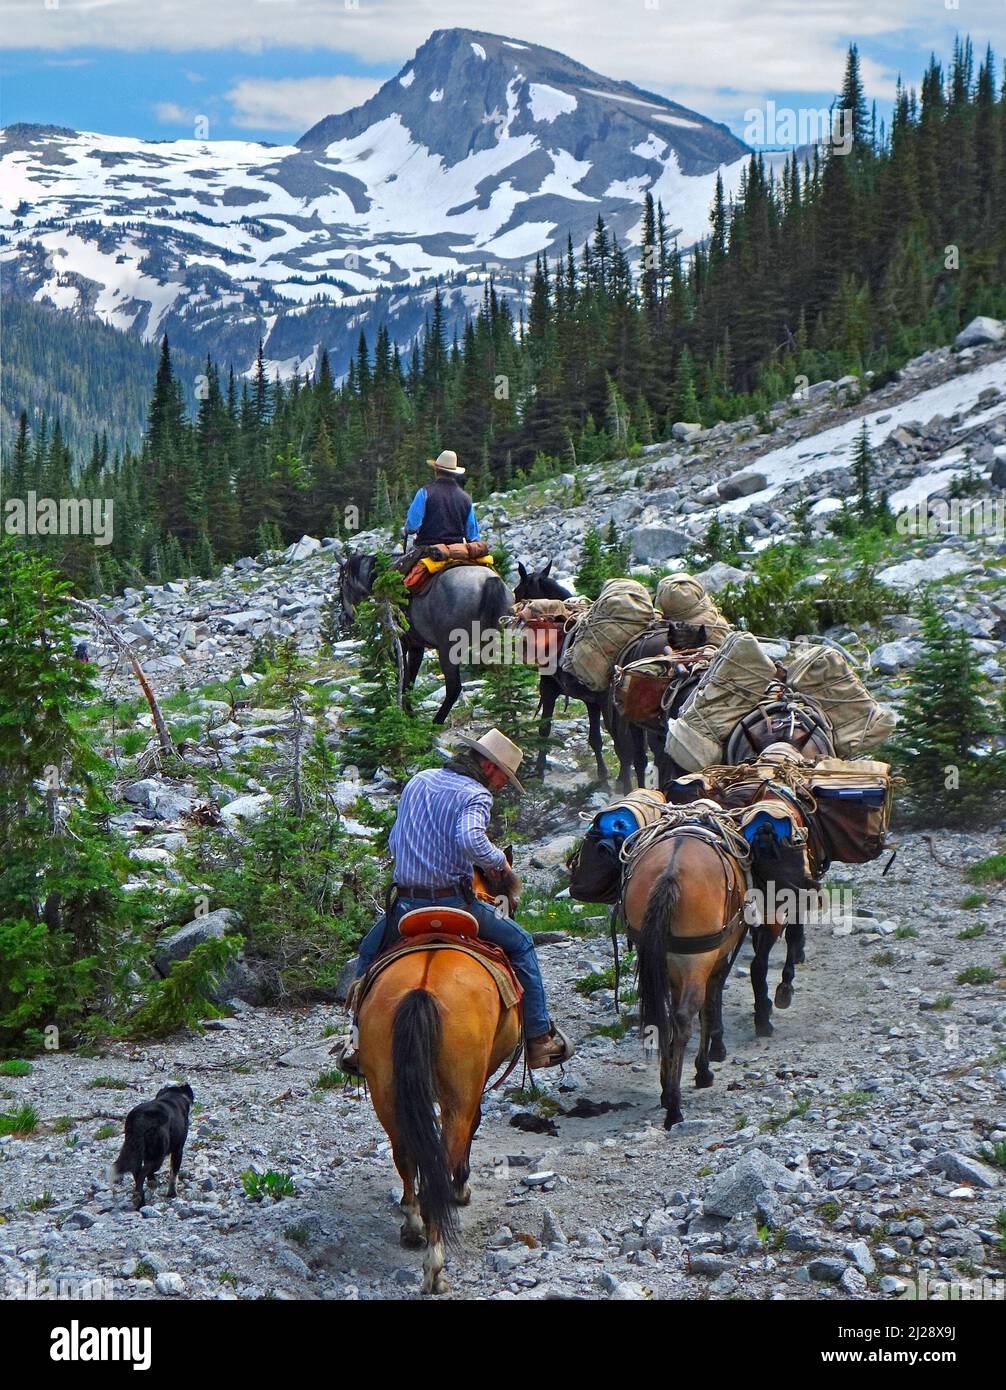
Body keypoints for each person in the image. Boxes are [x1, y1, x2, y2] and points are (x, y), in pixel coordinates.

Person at [336, 729, 574, 1073]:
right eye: (504, 777)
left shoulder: (420, 781)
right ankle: (539, 1038)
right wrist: (498, 862)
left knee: (369, 952)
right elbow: (470, 838)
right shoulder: (476, 794)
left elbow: (395, 838)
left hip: (406, 904)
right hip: (455, 903)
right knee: (521, 944)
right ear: (489, 767)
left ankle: (356, 1043)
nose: (503, 785)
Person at [403, 450, 480, 549]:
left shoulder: (424, 493)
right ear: (454, 474)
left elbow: (412, 527)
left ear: (436, 470)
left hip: (428, 550)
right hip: (456, 551)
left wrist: (407, 529)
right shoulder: (466, 499)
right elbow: (473, 536)